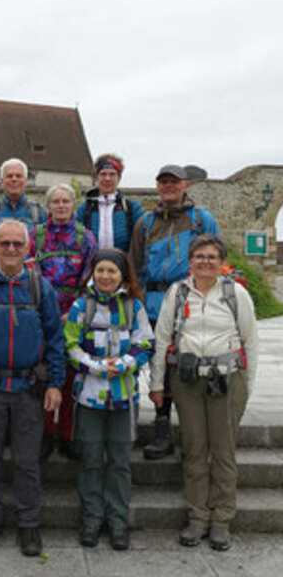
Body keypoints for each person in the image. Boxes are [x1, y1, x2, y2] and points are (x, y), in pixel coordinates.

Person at [0, 218, 65, 557]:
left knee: (27, 461)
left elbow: (55, 339)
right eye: (4, 243)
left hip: (29, 390)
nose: (10, 249)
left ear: (28, 247)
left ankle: (28, 525)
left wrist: (56, 384)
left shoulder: (39, 287)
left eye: (17, 244)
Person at [149, 234, 258, 551]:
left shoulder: (235, 294)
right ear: (190, 261)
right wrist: (157, 384)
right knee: (194, 449)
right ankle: (198, 518)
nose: (205, 262)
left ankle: (222, 520)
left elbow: (251, 342)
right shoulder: (178, 293)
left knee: (224, 452)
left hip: (227, 380)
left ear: (221, 262)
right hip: (187, 381)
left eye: (211, 257)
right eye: (199, 257)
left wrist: (246, 387)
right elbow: (162, 338)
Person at [65, 248, 154, 551]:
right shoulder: (81, 306)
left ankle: (117, 521)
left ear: (122, 275)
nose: (105, 276)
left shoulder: (133, 306)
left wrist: (127, 363)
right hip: (89, 396)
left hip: (123, 397)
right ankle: (91, 518)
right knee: (90, 460)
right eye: (100, 270)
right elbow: (71, 345)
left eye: (112, 271)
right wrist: (96, 366)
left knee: (119, 462)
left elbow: (146, 343)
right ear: (93, 273)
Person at [129, 164, 220, 460]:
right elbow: (135, 265)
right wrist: (140, 301)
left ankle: (195, 431)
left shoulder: (201, 218)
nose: (169, 186)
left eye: (174, 182)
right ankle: (162, 428)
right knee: (161, 365)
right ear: (157, 187)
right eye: (163, 182)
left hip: (190, 298)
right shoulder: (145, 223)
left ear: (185, 186)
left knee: (193, 361)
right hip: (154, 301)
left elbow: (217, 256)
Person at [30, 183, 97, 460]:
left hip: (74, 313)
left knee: (71, 374)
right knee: (44, 373)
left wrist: (77, 311)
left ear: (73, 205)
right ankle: (45, 433)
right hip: (42, 312)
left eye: (65, 201)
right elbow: (30, 272)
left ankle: (67, 433)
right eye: (55, 201)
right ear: (48, 205)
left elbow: (93, 278)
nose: (60, 206)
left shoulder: (86, 237)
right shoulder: (37, 235)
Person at [76, 153, 143, 252]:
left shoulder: (131, 208)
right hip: (93, 264)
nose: (107, 179)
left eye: (112, 174)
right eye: (103, 174)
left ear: (119, 178)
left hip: (123, 264)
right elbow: (77, 240)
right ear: (96, 177)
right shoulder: (85, 209)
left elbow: (140, 241)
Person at [0, 158, 46, 231]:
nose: (14, 179)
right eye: (9, 176)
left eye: (18, 176)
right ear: (1, 182)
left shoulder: (38, 213)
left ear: (26, 181)